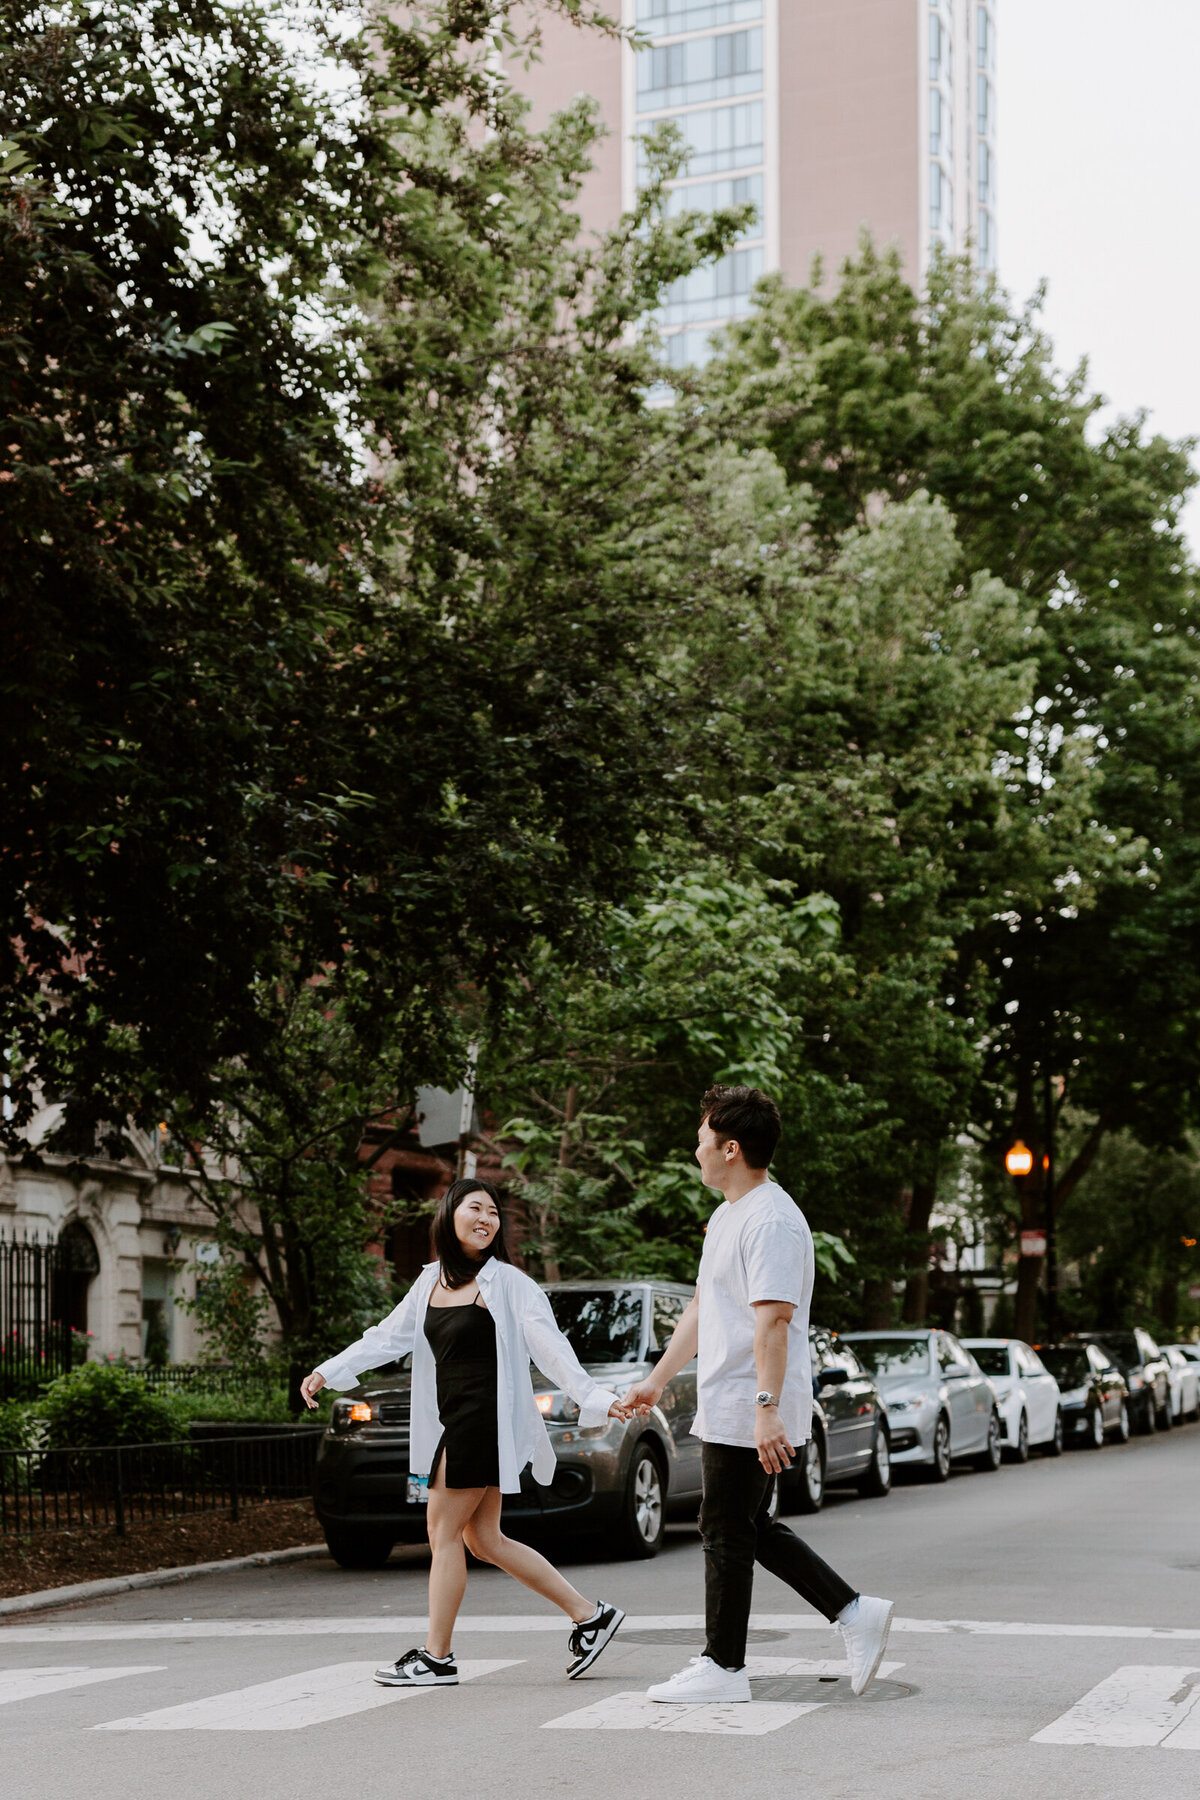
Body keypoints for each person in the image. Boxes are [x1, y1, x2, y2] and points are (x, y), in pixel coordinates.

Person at [621, 1086, 895, 1703]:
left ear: (731, 1148)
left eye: (702, 1143)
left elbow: (772, 1322)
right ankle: (853, 1613)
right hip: (733, 1397)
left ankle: (724, 1667)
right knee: (743, 1524)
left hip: (753, 1399)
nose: (697, 1154)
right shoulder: (728, 1215)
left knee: (724, 1526)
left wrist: (766, 1410)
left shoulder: (771, 1220)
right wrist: (656, 1380)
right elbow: (701, 1309)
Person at [301, 1177, 628, 1688]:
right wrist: (329, 1370)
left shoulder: (510, 1284)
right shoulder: (430, 1282)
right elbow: (385, 1338)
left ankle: (438, 1657)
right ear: (449, 1215)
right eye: (475, 1208)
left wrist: (597, 1398)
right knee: (484, 1539)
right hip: (451, 1420)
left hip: (481, 1422)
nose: (486, 1218)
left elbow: (551, 1348)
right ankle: (591, 1615)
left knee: (443, 1533)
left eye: (494, 1212)